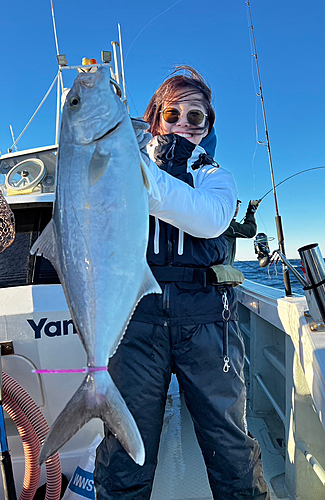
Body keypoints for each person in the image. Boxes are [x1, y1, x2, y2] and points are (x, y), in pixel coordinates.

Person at [94, 65, 270, 500]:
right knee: (125, 446)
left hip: (209, 322)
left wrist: (137, 169)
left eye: (196, 117)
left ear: (207, 127)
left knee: (229, 443)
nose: (183, 125)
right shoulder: (124, 167)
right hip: (136, 321)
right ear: (155, 118)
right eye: (172, 114)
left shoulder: (215, 177)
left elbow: (208, 219)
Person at [224, 199, 258, 266]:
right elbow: (250, 231)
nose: (236, 208)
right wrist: (251, 212)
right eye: (233, 205)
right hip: (220, 271)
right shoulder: (226, 225)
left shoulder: (222, 223)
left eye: (237, 205)